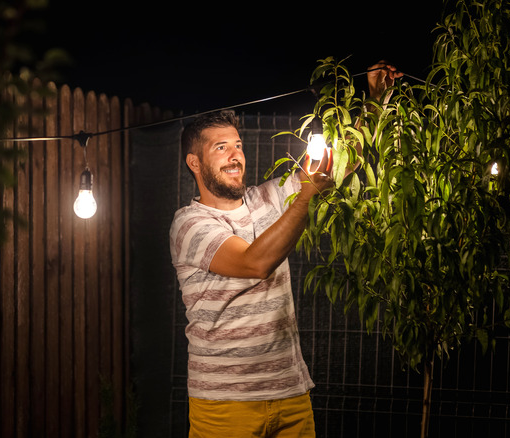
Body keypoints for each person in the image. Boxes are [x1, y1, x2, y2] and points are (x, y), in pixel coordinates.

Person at [169, 61, 402, 437]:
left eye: (238, 145)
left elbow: (338, 163)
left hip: (290, 392)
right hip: (225, 404)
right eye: (221, 147)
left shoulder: (269, 198)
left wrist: (375, 100)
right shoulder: (189, 224)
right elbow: (254, 262)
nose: (235, 155)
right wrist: (305, 196)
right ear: (194, 162)